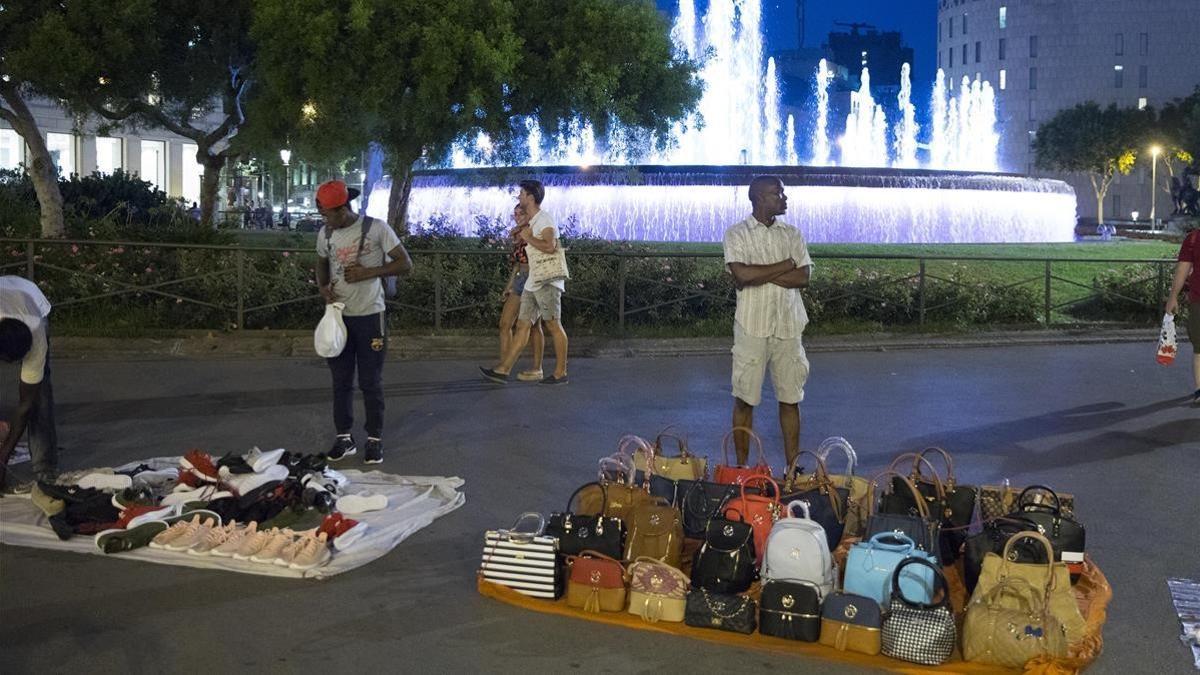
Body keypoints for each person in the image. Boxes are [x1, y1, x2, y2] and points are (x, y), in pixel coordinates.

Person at [315, 179, 413, 464]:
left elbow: (405, 263)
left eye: (329, 214)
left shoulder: (376, 228)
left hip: (371, 316)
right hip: (339, 317)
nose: (326, 220)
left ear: (344, 208)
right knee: (341, 380)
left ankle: (374, 438)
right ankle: (344, 437)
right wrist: (322, 287)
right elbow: (321, 260)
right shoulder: (325, 233)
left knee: (371, 381)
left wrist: (370, 272)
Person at [723, 175, 812, 467]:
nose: (784, 198)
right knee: (744, 399)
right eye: (778, 193)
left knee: (790, 399)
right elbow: (742, 275)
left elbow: (803, 277)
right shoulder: (737, 234)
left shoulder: (793, 234)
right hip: (752, 326)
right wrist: (786, 265)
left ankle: (792, 467)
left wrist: (760, 273)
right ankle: (741, 468)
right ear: (760, 198)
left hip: (788, 326)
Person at [480, 179, 569, 385]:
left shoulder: (545, 219)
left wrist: (528, 238)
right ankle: (503, 370)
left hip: (546, 280)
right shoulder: (531, 220)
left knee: (553, 324)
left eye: (521, 193)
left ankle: (560, 373)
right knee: (522, 325)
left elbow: (550, 246)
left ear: (531, 197)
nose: (518, 196)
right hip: (531, 281)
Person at [0, 276, 58, 491]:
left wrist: (4, 455)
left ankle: (45, 468)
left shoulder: (36, 334)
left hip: (31, 297)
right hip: (6, 292)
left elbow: (26, 405)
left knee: (39, 397)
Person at [498, 204, 545, 381]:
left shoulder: (534, 231)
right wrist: (508, 286)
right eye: (515, 214)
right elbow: (517, 263)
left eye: (521, 214)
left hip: (535, 278)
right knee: (505, 323)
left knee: (534, 326)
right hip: (521, 278)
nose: (517, 217)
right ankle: (504, 365)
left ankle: (536, 367)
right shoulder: (517, 234)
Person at [1165, 225, 1200, 405]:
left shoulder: (1193, 239)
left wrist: (1173, 297)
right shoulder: (1193, 239)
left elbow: (1182, 270)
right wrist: (1173, 297)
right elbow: (1182, 270)